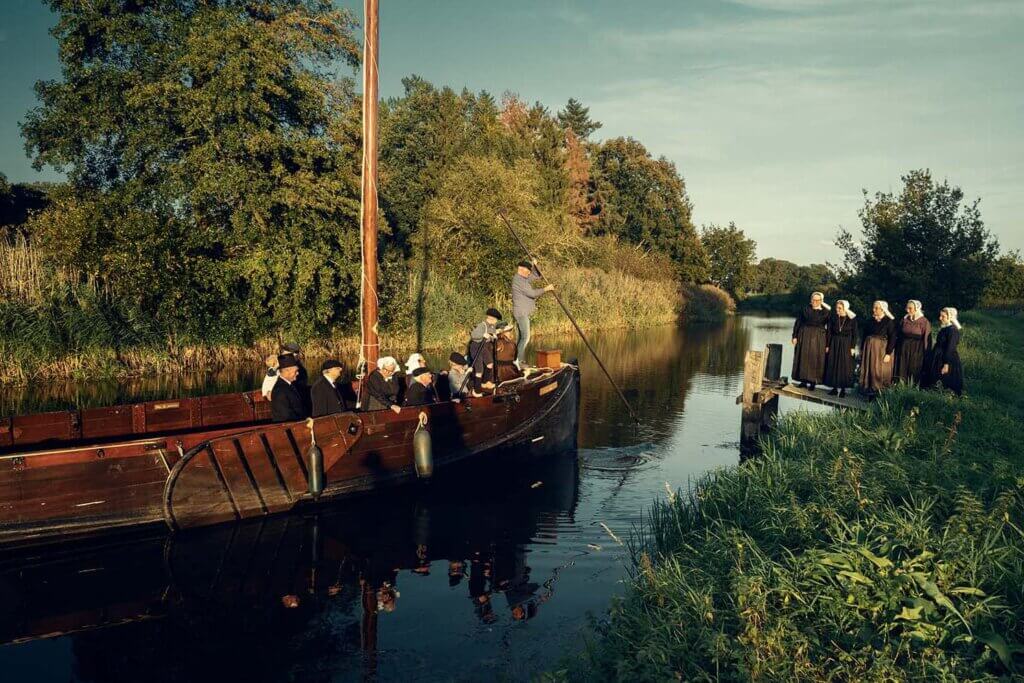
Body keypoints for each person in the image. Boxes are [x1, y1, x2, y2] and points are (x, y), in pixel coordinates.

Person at [511, 260, 554, 366]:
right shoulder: (518, 280)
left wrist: (535, 265)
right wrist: (546, 289)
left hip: (522, 312)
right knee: (525, 337)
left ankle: (516, 360)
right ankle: (519, 362)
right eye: (527, 270)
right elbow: (532, 294)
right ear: (520, 269)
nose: (529, 272)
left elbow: (536, 275)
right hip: (521, 313)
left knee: (521, 338)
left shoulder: (524, 278)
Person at [791, 291, 831, 390]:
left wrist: (828, 344)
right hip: (804, 336)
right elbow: (798, 323)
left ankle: (813, 382)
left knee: (815, 359)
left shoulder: (826, 312)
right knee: (804, 358)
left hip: (819, 338)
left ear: (821, 301)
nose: (815, 302)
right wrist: (794, 336)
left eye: (817, 300)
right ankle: (803, 381)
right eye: (813, 300)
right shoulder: (805, 309)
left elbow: (829, 328)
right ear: (811, 300)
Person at [859, 300, 897, 398]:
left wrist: (888, 353)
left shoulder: (889, 321)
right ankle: (869, 390)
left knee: (879, 370)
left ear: (883, 310)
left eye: (876, 308)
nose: (874, 309)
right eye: (873, 307)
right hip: (869, 348)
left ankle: (879, 392)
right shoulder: (870, 320)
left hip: (881, 349)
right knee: (870, 369)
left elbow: (892, 337)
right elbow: (864, 335)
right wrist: (862, 348)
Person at [924, 307, 963, 395]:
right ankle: (936, 392)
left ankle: (947, 394)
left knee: (946, 378)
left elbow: (950, 348)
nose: (940, 318)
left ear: (950, 317)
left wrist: (946, 363)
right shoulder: (945, 328)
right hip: (938, 355)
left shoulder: (953, 331)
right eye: (940, 316)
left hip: (947, 357)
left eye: (943, 316)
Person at [824, 299, 858, 397]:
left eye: (839, 308)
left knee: (845, 365)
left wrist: (852, 347)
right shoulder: (833, 318)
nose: (837, 310)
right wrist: (827, 345)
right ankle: (834, 388)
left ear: (845, 308)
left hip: (846, 343)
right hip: (834, 342)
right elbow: (829, 332)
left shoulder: (852, 319)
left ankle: (843, 389)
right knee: (833, 364)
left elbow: (855, 334)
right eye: (837, 308)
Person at [895, 299, 931, 384]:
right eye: (907, 308)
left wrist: (926, 353)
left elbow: (926, 338)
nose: (907, 310)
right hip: (904, 348)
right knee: (902, 367)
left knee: (914, 368)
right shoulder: (904, 320)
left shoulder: (924, 321)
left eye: (910, 308)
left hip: (917, 349)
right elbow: (898, 334)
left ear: (916, 309)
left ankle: (913, 388)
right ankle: (901, 386)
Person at [469, 308, 502, 392]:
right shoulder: (482, 325)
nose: (496, 322)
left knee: (490, 364)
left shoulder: (491, 326)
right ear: (491, 319)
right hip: (476, 347)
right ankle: (477, 390)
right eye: (496, 320)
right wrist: (483, 334)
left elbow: (492, 332)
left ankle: (485, 382)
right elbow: (474, 335)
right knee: (479, 369)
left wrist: (494, 334)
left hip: (483, 346)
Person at [271, 355, 310, 422]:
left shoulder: (290, 385)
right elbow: (285, 416)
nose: (297, 373)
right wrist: (305, 421)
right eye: (296, 371)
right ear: (287, 371)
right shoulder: (279, 391)